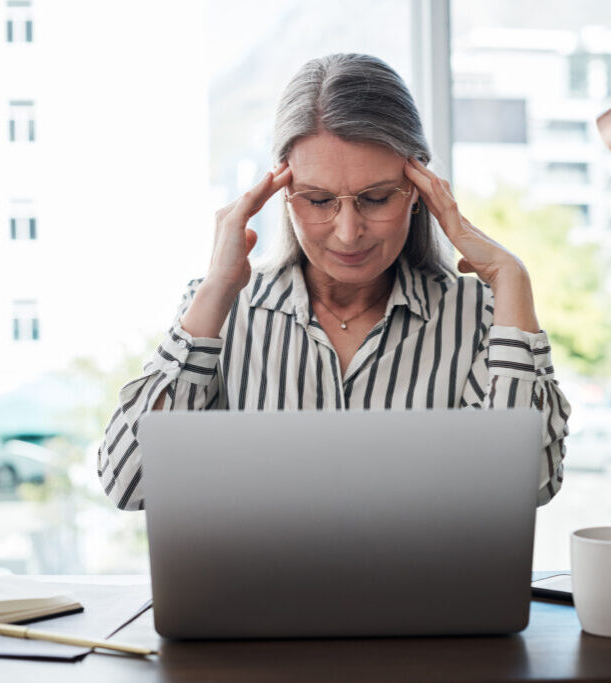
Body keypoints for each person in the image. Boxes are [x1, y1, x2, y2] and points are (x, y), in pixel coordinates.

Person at [97, 53, 570, 511]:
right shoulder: (223, 312)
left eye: (377, 197)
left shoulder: (480, 315)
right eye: (319, 200)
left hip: (417, 593)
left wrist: (511, 279)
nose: (348, 232)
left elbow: (528, 487)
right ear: (282, 192)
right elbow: (129, 483)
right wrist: (218, 289)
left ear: (420, 189)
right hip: (260, 593)